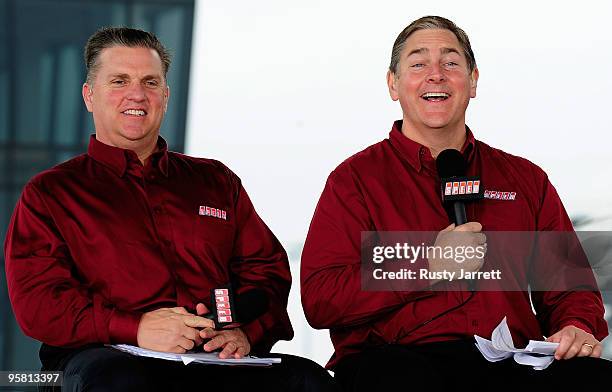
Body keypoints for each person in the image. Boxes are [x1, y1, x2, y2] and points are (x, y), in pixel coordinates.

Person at [4, 27, 337, 392]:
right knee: (119, 381)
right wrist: (137, 328)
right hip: (104, 359)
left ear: (165, 95)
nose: (137, 94)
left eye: (150, 82)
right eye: (119, 80)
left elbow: (266, 272)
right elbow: (39, 303)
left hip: (213, 357)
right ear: (89, 95)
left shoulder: (215, 180)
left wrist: (243, 331)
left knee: (309, 380)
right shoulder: (51, 193)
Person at [300, 16, 611, 390]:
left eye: (450, 63)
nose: (436, 74)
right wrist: (425, 264)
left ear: (473, 81)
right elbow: (321, 299)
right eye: (418, 64)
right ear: (393, 85)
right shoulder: (354, 180)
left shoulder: (525, 179)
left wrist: (576, 326)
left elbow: (571, 288)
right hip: (400, 362)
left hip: (512, 363)